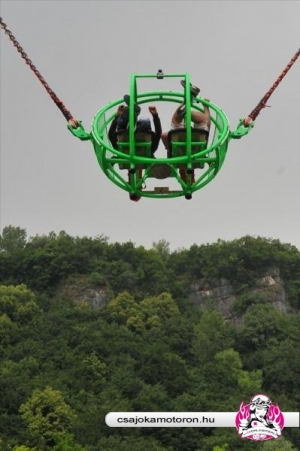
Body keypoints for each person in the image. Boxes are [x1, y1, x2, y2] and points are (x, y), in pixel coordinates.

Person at [108, 96, 162, 201]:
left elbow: (158, 133)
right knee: (138, 122)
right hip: (137, 129)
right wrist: (155, 116)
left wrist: (116, 116)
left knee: (125, 123)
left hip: (130, 131)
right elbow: (111, 135)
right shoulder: (147, 156)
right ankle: (132, 119)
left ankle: (131, 119)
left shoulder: (122, 157)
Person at [161, 80, 211, 184]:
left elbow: (211, 160)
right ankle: (186, 103)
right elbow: (163, 135)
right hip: (179, 138)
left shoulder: (199, 160)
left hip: (198, 137)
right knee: (176, 120)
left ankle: (200, 106)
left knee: (205, 124)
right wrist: (168, 147)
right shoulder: (177, 161)